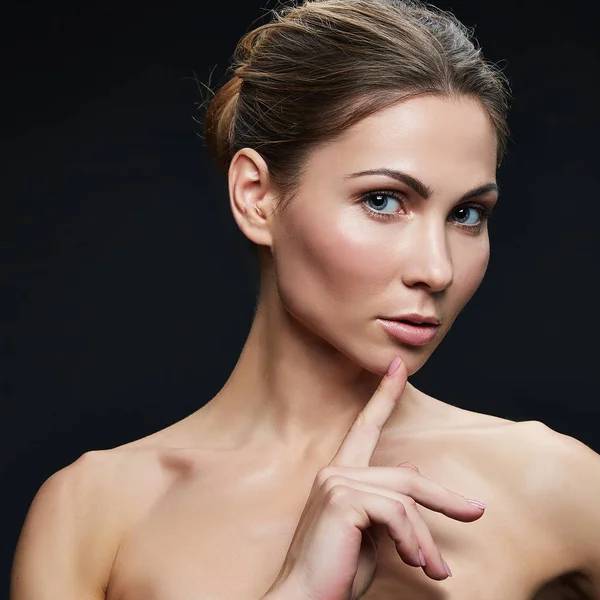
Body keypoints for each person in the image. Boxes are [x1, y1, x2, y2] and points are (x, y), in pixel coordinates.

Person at [10, 0, 600, 598]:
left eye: (468, 214)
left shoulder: (556, 483)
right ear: (256, 197)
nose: (436, 268)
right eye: (383, 200)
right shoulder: (96, 512)